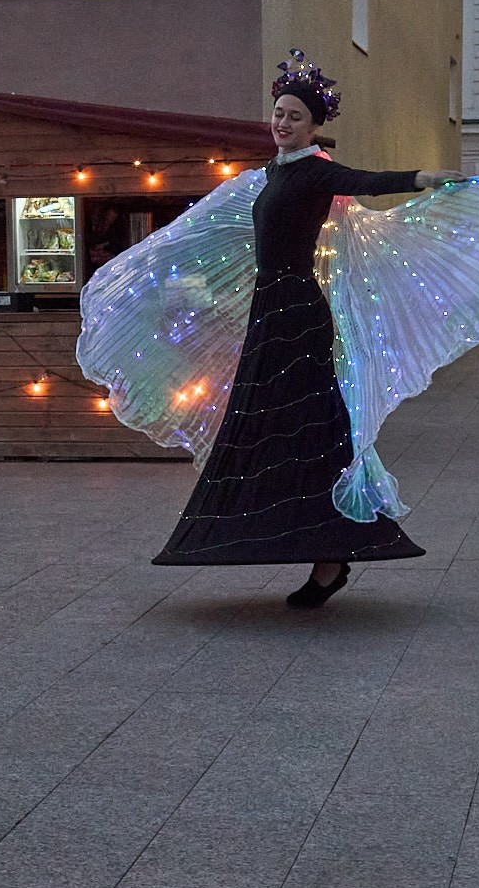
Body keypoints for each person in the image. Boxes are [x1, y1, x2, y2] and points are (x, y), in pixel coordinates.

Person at [143, 55, 462, 604]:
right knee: (270, 428)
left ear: (314, 125)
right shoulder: (272, 173)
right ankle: (286, 537)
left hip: (296, 312)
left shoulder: (315, 170)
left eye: (295, 116)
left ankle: (331, 557)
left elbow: (365, 180)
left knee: (309, 430)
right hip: (271, 307)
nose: (283, 123)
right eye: (278, 114)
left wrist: (422, 179)